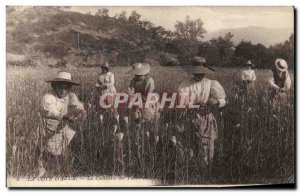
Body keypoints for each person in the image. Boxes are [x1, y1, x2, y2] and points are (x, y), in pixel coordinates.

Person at [177, 56, 226, 165]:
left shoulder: (211, 83)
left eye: (201, 72)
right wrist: (193, 104)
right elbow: (182, 100)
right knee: (189, 142)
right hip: (190, 116)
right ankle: (189, 166)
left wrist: (217, 102)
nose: (199, 74)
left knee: (206, 144)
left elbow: (222, 99)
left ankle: (205, 167)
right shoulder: (185, 84)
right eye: (196, 72)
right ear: (192, 72)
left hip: (206, 117)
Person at [37, 71, 87, 177]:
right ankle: (45, 171)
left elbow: (77, 105)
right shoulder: (48, 97)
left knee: (61, 151)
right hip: (48, 129)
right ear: (54, 86)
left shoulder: (71, 96)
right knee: (47, 151)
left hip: (62, 128)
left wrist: (81, 111)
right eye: (60, 87)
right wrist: (64, 116)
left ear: (69, 88)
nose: (63, 91)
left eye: (66, 88)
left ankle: (60, 171)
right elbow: (49, 110)